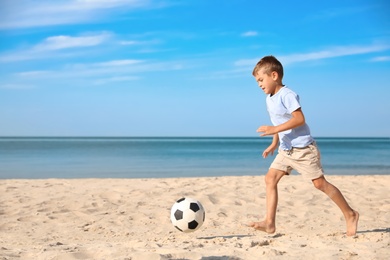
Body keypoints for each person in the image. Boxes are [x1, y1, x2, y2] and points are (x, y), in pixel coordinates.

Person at [248, 55, 359, 236]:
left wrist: (275, 128)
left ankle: (350, 214)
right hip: (286, 149)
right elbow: (279, 122)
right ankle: (269, 223)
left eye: (261, 80)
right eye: (257, 81)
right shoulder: (269, 98)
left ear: (274, 75)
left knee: (319, 184)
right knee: (270, 179)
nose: (259, 84)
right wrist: (274, 143)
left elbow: (299, 119)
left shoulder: (287, 94)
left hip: (303, 149)